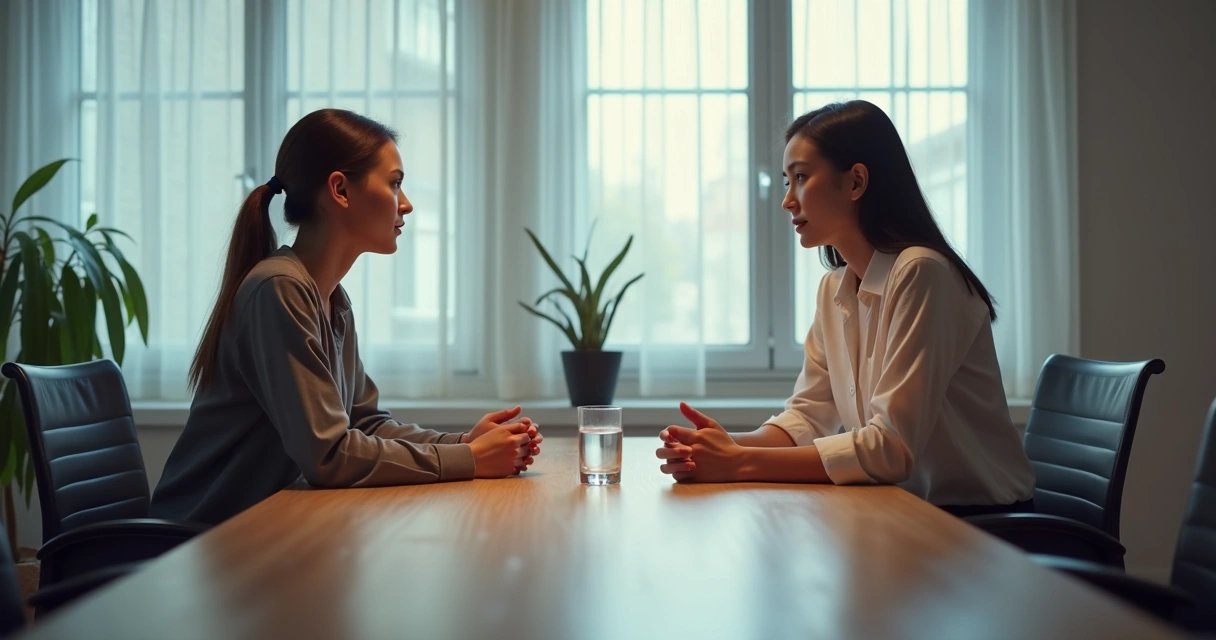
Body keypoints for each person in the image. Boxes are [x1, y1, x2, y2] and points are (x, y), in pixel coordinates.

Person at [152, 109, 542, 526]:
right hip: (200, 542)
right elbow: (329, 455)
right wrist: (469, 459)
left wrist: (464, 443)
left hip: (261, 531)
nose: (406, 204)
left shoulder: (332, 300)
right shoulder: (279, 289)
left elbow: (364, 423)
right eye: (395, 183)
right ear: (340, 190)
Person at [655, 101, 1034, 515]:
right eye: (786, 181)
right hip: (903, 511)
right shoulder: (833, 288)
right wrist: (722, 446)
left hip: (979, 523)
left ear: (855, 182)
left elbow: (891, 447)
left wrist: (739, 463)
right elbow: (806, 417)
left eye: (801, 177)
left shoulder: (922, 273)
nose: (787, 200)